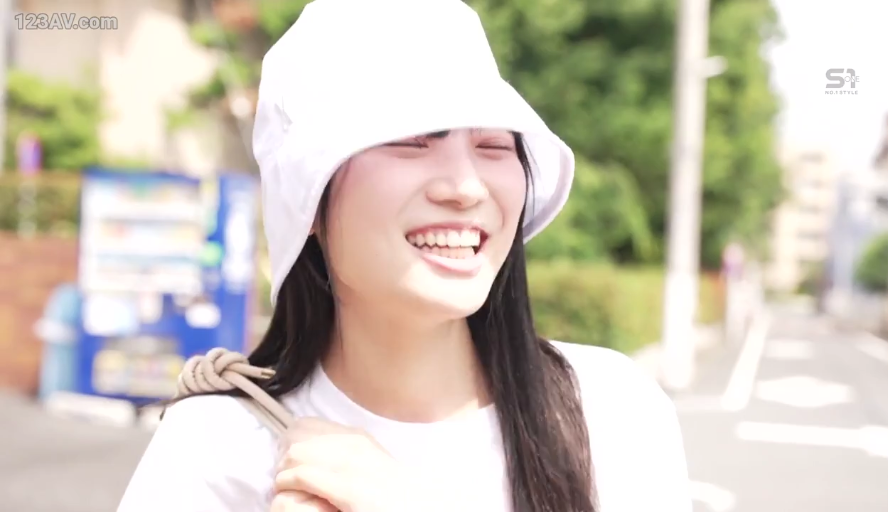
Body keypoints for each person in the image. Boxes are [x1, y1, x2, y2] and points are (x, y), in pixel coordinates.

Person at [117, 1, 691, 511]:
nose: (466, 187)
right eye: (411, 141)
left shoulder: (610, 409)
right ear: (307, 200)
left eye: (494, 145)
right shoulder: (218, 447)